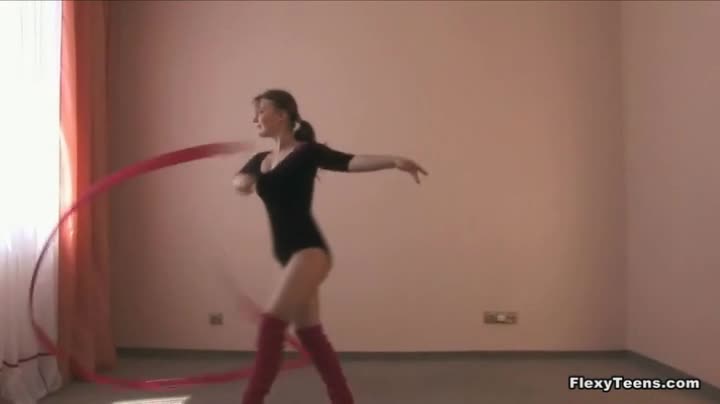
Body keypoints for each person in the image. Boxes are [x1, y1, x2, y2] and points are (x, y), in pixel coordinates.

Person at [232, 89, 428, 404]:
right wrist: (241, 182)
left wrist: (393, 160)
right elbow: (240, 182)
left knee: (271, 325)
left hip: (309, 250)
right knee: (310, 334)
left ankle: (251, 400)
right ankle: (343, 398)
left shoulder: (307, 152)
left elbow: (350, 161)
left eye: (261, 111)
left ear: (282, 114)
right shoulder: (260, 160)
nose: (255, 118)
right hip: (286, 255)